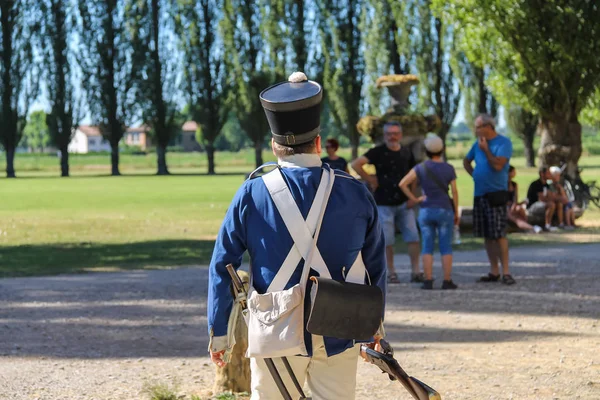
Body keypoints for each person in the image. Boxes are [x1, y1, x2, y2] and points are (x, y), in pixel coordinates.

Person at [207, 72, 387, 400]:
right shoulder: (356, 191)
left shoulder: (251, 193)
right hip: (342, 327)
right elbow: (375, 267)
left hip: (275, 327)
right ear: (318, 142)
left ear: (275, 145)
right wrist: (374, 328)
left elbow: (223, 265)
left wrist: (220, 335)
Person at [351, 121, 423, 284]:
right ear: (384, 136)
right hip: (383, 202)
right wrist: (370, 179)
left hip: (404, 203)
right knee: (387, 240)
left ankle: (416, 271)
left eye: (395, 133)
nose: (392, 136)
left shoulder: (406, 152)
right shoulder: (377, 152)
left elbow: (414, 174)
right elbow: (356, 164)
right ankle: (391, 272)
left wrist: (412, 196)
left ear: (401, 135)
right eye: (389, 133)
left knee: (413, 237)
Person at [398, 135, 459, 290]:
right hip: (445, 208)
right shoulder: (448, 168)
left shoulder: (421, 168)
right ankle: (446, 280)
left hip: (426, 209)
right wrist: (456, 211)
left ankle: (428, 280)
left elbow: (403, 183)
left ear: (426, 151)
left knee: (427, 246)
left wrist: (415, 198)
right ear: (442, 149)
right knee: (445, 246)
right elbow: (455, 192)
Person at [463, 114, 516, 285]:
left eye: (478, 127)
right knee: (487, 235)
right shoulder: (476, 144)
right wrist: (475, 176)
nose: (476, 130)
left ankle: (506, 272)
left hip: (496, 194)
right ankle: (494, 271)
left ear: (488, 127)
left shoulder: (503, 143)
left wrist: (486, 150)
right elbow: (466, 161)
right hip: (480, 194)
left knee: (499, 234)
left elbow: (498, 165)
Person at [507, 165, 542, 233]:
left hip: (513, 205)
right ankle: (531, 228)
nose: (515, 173)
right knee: (514, 217)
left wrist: (515, 205)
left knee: (520, 209)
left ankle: (526, 226)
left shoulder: (514, 184)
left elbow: (515, 198)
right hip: (506, 206)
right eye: (513, 171)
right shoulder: (503, 184)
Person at [526, 167, 559, 232]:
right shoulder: (536, 184)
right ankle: (547, 225)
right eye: (548, 173)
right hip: (533, 205)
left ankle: (560, 223)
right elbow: (541, 198)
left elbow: (551, 196)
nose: (550, 175)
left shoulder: (546, 184)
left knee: (556, 204)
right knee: (551, 205)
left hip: (541, 204)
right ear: (542, 174)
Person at [549, 166, 575, 230]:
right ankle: (563, 224)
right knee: (562, 205)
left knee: (569, 207)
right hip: (554, 202)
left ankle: (572, 224)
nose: (559, 177)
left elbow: (564, 196)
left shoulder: (558, 184)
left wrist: (561, 189)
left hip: (561, 201)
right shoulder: (550, 184)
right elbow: (553, 196)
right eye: (557, 175)